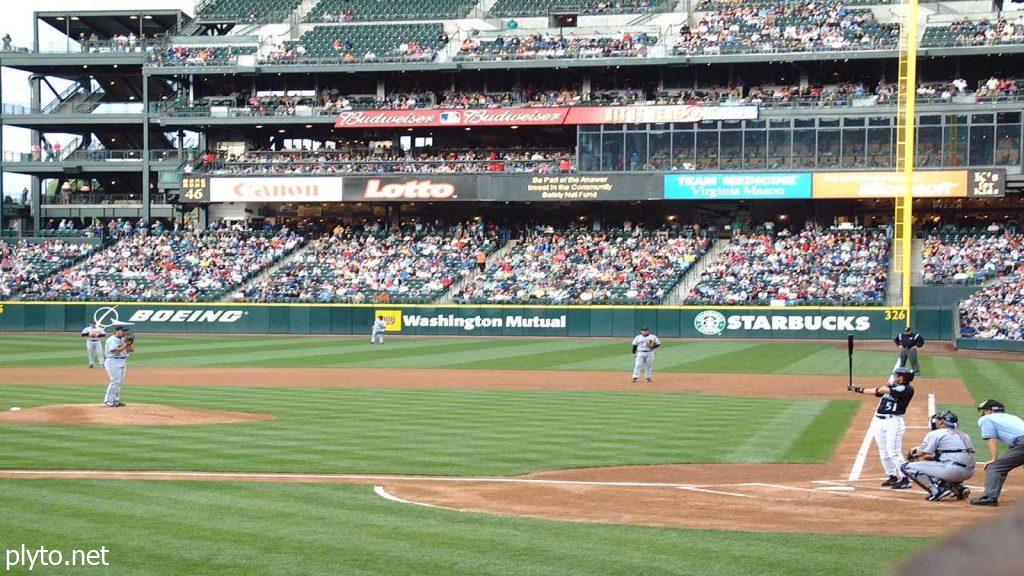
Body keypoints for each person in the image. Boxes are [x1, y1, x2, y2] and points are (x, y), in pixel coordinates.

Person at [848, 366, 916, 489]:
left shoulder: (907, 389)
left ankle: (905, 478)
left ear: (902, 377)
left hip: (893, 422)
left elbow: (883, 389)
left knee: (894, 452)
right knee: (884, 452)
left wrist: (886, 387)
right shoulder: (892, 387)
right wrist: (858, 389)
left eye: (896, 375)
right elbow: (876, 391)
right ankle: (892, 476)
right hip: (879, 421)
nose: (895, 377)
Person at [901, 410, 976, 501]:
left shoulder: (936, 433)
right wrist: (933, 458)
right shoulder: (964, 434)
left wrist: (912, 455)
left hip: (953, 471)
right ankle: (958, 488)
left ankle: (937, 490)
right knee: (939, 464)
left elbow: (922, 452)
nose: (935, 422)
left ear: (941, 422)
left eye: (937, 420)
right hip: (969, 472)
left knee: (906, 467)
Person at [970, 399, 1024, 506]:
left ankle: (989, 497)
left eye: (984, 410)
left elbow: (992, 441)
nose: (983, 413)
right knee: (1002, 466)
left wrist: (993, 460)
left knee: (995, 467)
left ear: (989, 411)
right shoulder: (1012, 417)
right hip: (1020, 443)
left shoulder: (987, 419)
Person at [103, 324, 134, 408]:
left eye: (125, 331)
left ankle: (115, 400)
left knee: (119, 382)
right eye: (123, 331)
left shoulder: (124, 339)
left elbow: (132, 350)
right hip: (112, 361)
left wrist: (130, 343)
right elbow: (117, 351)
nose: (125, 332)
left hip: (122, 361)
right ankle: (108, 401)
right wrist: (126, 344)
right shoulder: (112, 339)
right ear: (117, 331)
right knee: (114, 381)